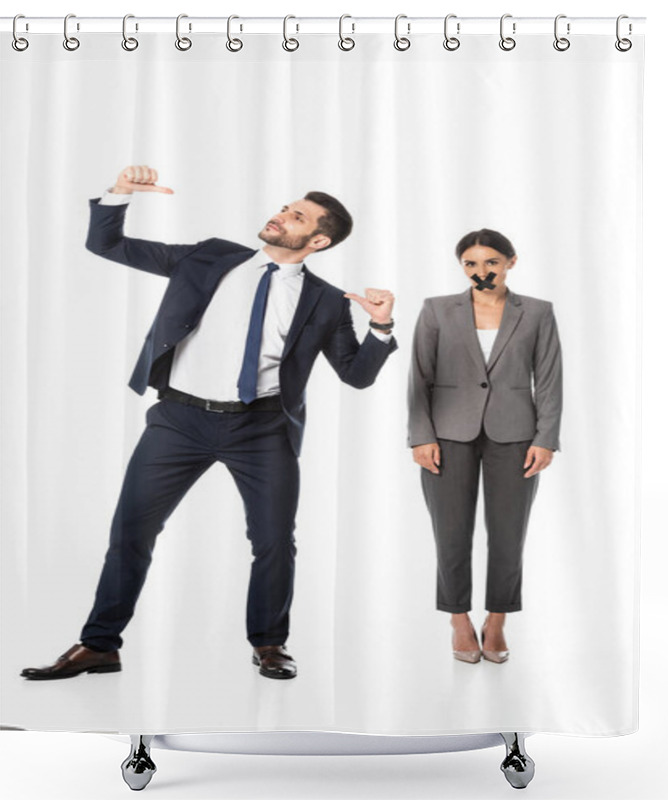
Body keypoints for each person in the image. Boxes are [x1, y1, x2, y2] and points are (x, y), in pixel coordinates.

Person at [21, 165, 396, 682]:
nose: (281, 214)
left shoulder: (327, 301)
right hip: (179, 419)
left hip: (261, 429)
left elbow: (355, 375)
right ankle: (100, 644)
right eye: (286, 207)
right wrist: (119, 194)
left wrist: (381, 326)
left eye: (297, 216)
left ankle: (269, 644)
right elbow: (107, 246)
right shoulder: (211, 255)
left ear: (318, 239)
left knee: (273, 540)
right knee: (131, 530)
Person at [407, 229, 561, 664]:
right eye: (471, 263)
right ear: (462, 267)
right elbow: (418, 376)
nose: (481, 271)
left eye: (491, 262)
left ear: (511, 261)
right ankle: (459, 620)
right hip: (446, 435)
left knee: (509, 535)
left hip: (515, 436)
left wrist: (545, 438)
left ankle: (496, 621)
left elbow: (549, 380)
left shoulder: (536, 312)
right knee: (451, 534)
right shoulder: (437, 310)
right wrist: (420, 435)